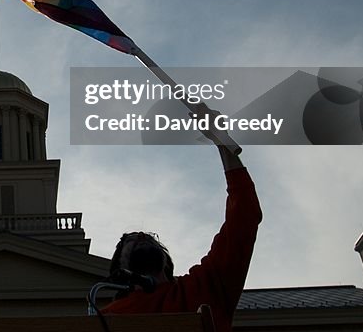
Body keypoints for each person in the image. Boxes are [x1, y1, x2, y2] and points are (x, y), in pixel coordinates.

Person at [102, 140, 261, 332]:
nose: (142, 235)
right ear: (120, 269)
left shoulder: (203, 286)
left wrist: (223, 143)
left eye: (151, 239)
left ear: (167, 263)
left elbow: (244, 216)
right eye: (130, 240)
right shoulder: (107, 319)